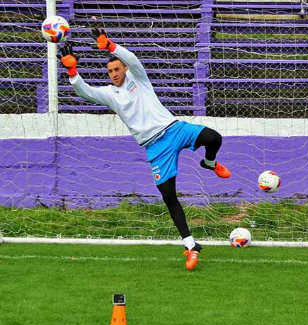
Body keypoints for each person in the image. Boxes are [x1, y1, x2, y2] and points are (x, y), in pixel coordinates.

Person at [58, 28, 231, 271]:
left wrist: (109, 45)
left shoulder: (138, 78)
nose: (114, 73)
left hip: (174, 129)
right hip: (155, 147)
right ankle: (190, 246)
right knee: (169, 196)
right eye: (110, 71)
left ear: (124, 69)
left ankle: (210, 163)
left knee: (214, 138)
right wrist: (72, 71)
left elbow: (134, 59)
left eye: (117, 69)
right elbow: (84, 92)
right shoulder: (110, 95)